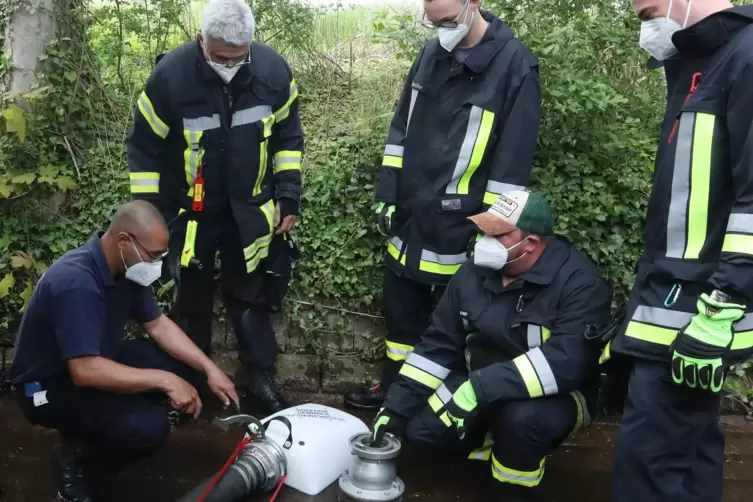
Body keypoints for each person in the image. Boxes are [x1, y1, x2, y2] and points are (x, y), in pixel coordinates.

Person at [345, 0, 542, 410]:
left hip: (464, 221)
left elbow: (512, 160)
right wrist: (387, 191)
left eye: (449, 21)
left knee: (457, 319)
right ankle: (396, 389)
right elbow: (402, 126)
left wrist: (493, 228)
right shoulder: (432, 53)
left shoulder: (515, 65)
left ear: (475, 4)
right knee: (401, 309)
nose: (442, 30)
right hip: (411, 213)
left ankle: (445, 401)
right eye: (433, 22)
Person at [371, 190, 612, 502]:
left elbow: (565, 364)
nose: (484, 242)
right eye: (484, 231)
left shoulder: (580, 283)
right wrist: (395, 408)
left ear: (531, 244)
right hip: (480, 381)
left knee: (521, 424)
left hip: (557, 394)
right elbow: (438, 345)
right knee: (420, 434)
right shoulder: (473, 272)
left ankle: (513, 487)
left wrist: (477, 390)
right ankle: (491, 438)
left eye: (497, 235)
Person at [604, 1, 753, 501]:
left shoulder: (746, 56)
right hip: (672, 300)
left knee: (648, 467)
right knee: (689, 455)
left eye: (647, 10)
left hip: (699, 309)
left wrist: (722, 306)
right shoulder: (700, 63)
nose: (639, 17)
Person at [126, 0, 303, 414]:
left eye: (238, 58)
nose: (230, 65)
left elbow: (288, 138)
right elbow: (144, 149)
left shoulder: (273, 71)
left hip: (251, 211)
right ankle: (189, 387)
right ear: (202, 40)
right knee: (191, 301)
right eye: (221, 57)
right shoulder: (170, 77)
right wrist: (150, 215)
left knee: (252, 296)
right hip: (189, 215)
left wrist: (289, 194)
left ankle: (260, 379)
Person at [9, 201, 239, 502]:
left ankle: (99, 428)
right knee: (148, 428)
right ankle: (77, 463)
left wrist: (211, 369)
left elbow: (158, 325)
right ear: (123, 241)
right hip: (46, 387)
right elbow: (85, 371)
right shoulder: (76, 282)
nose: (157, 264)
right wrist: (164, 381)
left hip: (95, 360)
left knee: (186, 368)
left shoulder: (126, 268)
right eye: (154, 255)